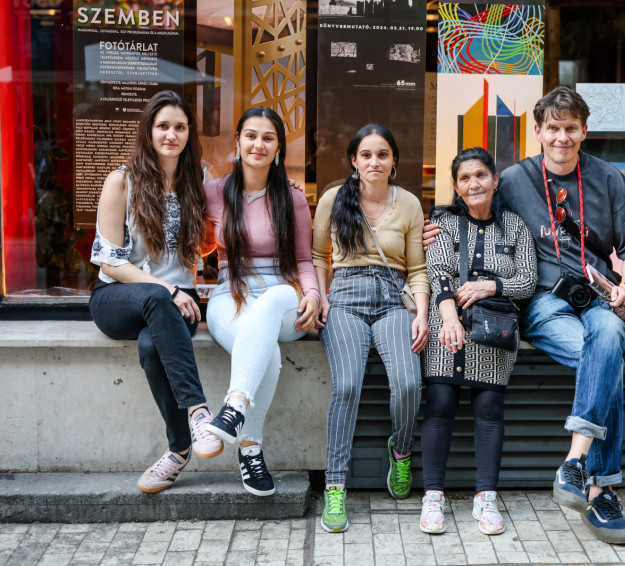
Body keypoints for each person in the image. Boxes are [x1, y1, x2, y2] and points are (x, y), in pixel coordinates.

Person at [423, 86, 625, 544]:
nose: (562, 137)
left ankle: (575, 463)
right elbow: (478, 212)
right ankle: (602, 489)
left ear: (584, 131)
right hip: (544, 301)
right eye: (553, 128)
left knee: (607, 343)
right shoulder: (513, 179)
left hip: (599, 297)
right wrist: (432, 229)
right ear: (539, 132)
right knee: (608, 362)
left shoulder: (610, 179)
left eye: (571, 128)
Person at [88, 90, 223, 493]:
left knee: (151, 346)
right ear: (148, 130)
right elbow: (110, 263)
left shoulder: (198, 179)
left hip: (173, 305)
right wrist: (168, 288)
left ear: (189, 133)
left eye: (180, 127)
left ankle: (178, 450)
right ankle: (199, 413)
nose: (171, 135)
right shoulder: (121, 181)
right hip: (118, 298)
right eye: (163, 126)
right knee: (156, 297)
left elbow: (233, 207)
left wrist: (281, 184)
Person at [312, 124, 430, 533]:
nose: (374, 161)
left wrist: (422, 314)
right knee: (347, 387)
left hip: (392, 299)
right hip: (344, 299)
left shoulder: (409, 204)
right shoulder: (333, 199)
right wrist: (321, 297)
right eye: (366, 154)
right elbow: (317, 255)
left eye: (382, 154)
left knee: (409, 383)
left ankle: (401, 452)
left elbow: (417, 269)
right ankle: (335, 486)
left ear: (394, 160)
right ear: (354, 160)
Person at [419, 148, 537, 535]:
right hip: (446, 322)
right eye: (465, 178)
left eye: (481, 175)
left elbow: (527, 281)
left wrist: (490, 285)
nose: (474, 184)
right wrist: (450, 319)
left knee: (489, 409)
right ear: (456, 186)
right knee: (440, 403)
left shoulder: (514, 226)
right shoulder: (443, 223)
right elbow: (438, 273)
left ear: (495, 180)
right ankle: (433, 496)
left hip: (495, 329)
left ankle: (486, 497)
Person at [203, 107, 320, 496]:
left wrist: (313, 295)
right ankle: (250, 449)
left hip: (283, 300)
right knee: (264, 350)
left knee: (277, 297)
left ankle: (235, 405)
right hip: (230, 293)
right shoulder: (213, 192)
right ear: (237, 141)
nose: (258, 144)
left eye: (268, 138)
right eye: (250, 135)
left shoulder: (292, 198)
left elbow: (304, 260)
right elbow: (188, 238)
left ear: (279, 147)